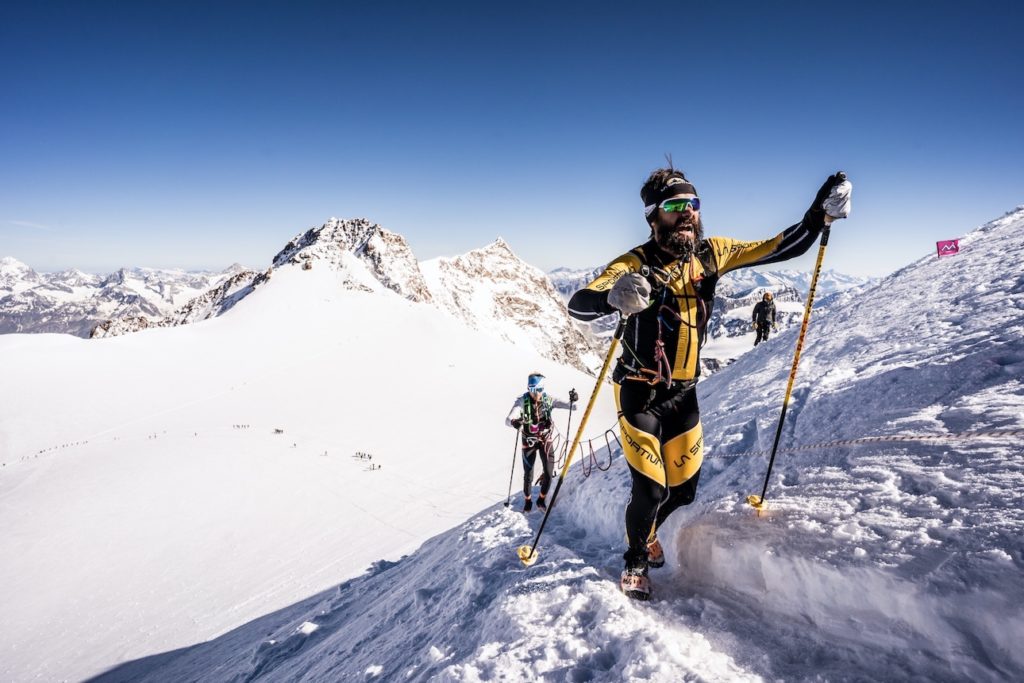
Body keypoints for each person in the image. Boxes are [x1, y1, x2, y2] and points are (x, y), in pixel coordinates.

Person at [568, 166, 850, 600]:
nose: (687, 215)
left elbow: (778, 247)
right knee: (652, 487)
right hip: (638, 392)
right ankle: (635, 562)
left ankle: (645, 535)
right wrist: (612, 295)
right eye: (675, 206)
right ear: (652, 216)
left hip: (683, 393)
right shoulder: (634, 263)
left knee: (683, 491)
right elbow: (579, 305)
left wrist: (819, 215)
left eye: (693, 206)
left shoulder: (712, 254)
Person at [505, 372, 578, 512]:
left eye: (538, 389)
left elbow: (573, 407)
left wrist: (573, 400)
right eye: (531, 389)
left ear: (542, 389)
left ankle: (541, 500)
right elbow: (507, 420)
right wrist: (515, 422)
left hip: (545, 439)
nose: (535, 393)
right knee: (528, 475)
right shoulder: (522, 401)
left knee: (549, 473)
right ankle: (528, 502)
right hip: (529, 440)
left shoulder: (548, 399)